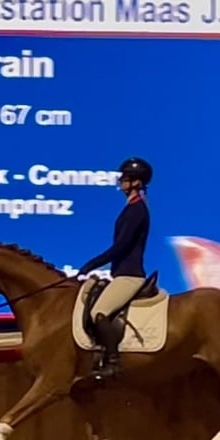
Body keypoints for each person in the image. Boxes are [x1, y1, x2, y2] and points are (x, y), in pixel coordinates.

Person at [78, 157, 152, 380]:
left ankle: (113, 361)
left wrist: (92, 264)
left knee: (99, 312)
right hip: (120, 273)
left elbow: (121, 247)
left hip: (130, 275)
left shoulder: (137, 209)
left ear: (136, 182)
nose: (121, 182)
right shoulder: (131, 207)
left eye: (125, 178)